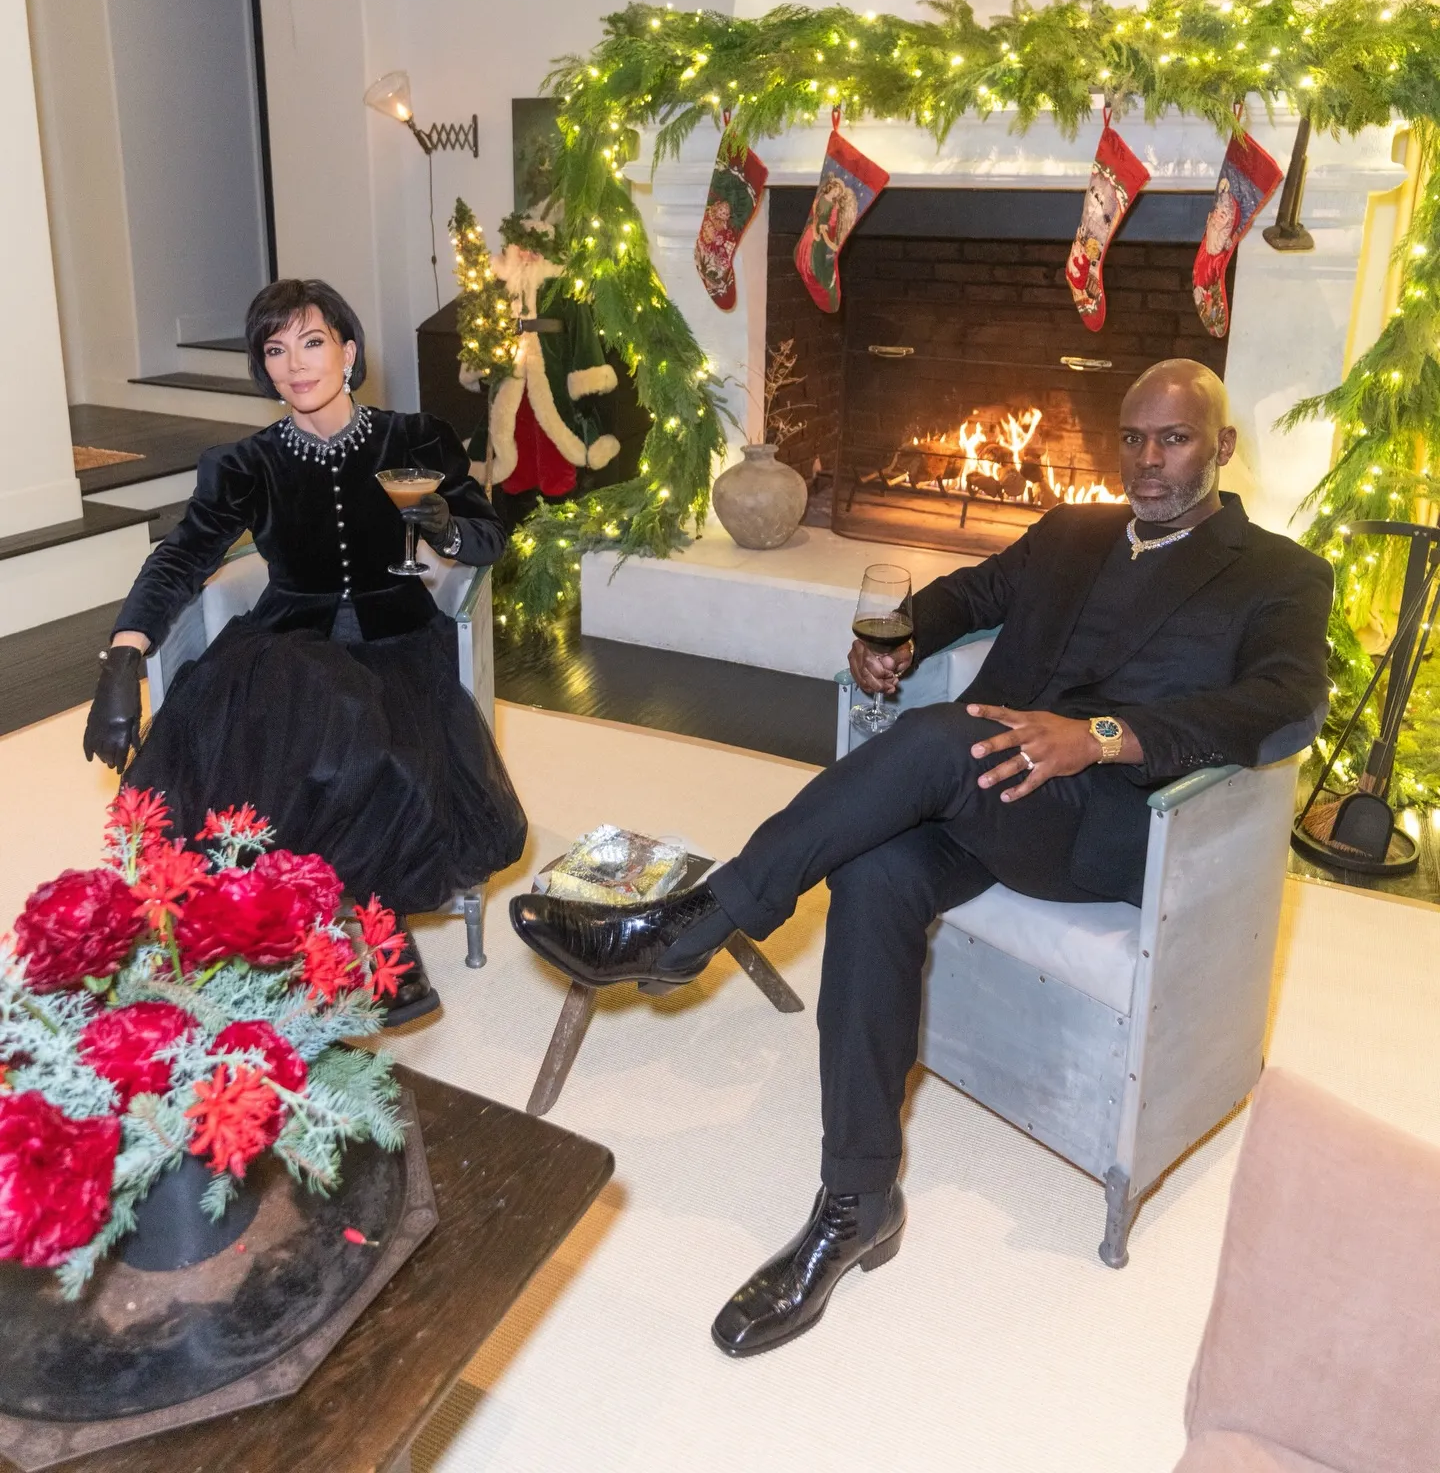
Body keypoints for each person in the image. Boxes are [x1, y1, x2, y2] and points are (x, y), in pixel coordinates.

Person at [509, 359, 1333, 1353]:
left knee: (944, 735)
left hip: (1110, 823)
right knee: (874, 866)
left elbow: (1283, 704)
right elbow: (967, 592)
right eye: (1133, 438)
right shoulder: (1072, 531)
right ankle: (857, 1205)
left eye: (1175, 439)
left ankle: (700, 918)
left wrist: (1105, 736)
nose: (1148, 461)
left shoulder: (1279, 573)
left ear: (1221, 446)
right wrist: (897, 641)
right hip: (987, 797)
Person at [84, 278, 527, 1026]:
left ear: (349, 351)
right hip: (288, 647)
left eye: (312, 341)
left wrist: (437, 521)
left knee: (369, 739)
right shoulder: (246, 463)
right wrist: (124, 656)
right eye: (276, 349)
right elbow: (180, 559)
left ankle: (360, 933)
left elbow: (487, 537)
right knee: (321, 712)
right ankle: (362, 937)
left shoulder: (413, 438)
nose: (296, 363)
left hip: (396, 644)